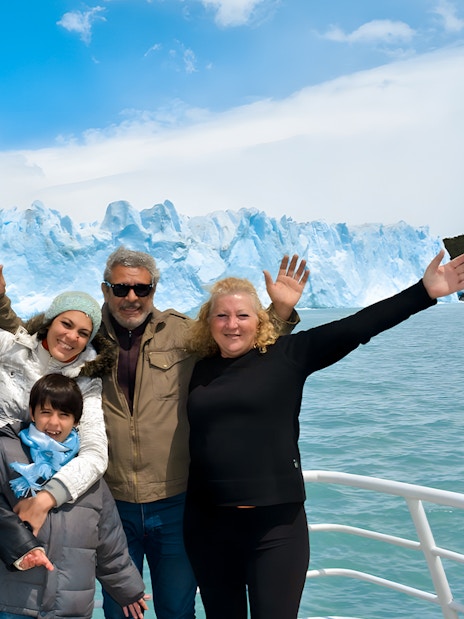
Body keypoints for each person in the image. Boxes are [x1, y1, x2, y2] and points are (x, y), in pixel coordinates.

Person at [0, 249, 308, 619]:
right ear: (106, 289)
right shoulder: (89, 337)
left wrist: (281, 315)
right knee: (120, 607)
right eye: (121, 288)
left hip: (175, 501)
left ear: (154, 290)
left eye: (142, 289)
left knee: (177, 607)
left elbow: (239, 345)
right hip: (114, 503)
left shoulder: (183, 333)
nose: (131, 297)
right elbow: (37, 341)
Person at [182, 249, 464, 619]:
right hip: (208, 524)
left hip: (276, 528)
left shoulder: (288, 355)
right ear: (208, 322)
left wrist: (424, 292)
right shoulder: (196, 368)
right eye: (222, 315)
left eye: (242, 315)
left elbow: (357, 326)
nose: (232, 324)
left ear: (259, 320)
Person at [0, 373, 148, 619]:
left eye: (64, 415)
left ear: (76, 421)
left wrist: (129, 589)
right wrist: (21, 549)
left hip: (69, 605)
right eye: (46, 412)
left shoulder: (87, 473)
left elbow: (109, 541)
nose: (54, 423)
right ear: (32, 412)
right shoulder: (7, 451)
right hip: (15, 601)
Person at [0, 288, 115, 535]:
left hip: (39, 491)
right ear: (51, 321)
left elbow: (95, 453)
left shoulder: (86, 381)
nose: (71, 337)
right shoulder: (9, 348)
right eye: (66, 324)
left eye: (83, 333)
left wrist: (49, 496)